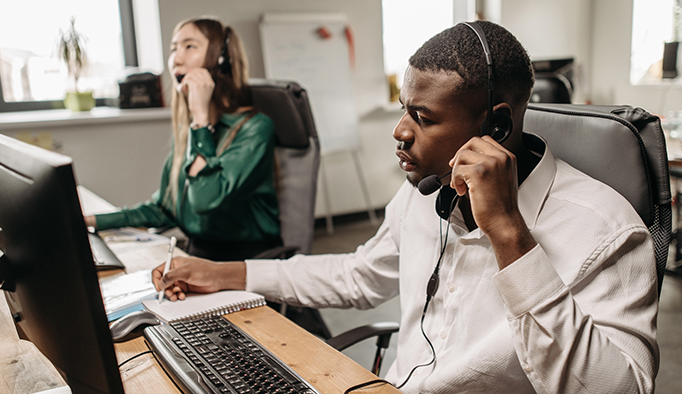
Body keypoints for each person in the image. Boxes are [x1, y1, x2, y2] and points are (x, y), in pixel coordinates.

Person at [152, 20, 659, 393]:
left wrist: (510, 236)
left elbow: (620, 388)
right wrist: (228, 274)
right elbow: (356, 276)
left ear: (497, 128)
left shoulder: (606, 230)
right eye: (402, 109)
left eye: (422, 116)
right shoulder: (428, 193)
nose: (399, 131)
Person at [86, 17, 281, 261]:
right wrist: (90, 220)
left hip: (247, 261)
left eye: (190, 46)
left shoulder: (254, 129)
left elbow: (205, 200)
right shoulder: (190, 131)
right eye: (174, 48)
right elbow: (164, 209)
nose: (177, 59)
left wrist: (200, 119)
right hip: (199, 256)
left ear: (222, 60)